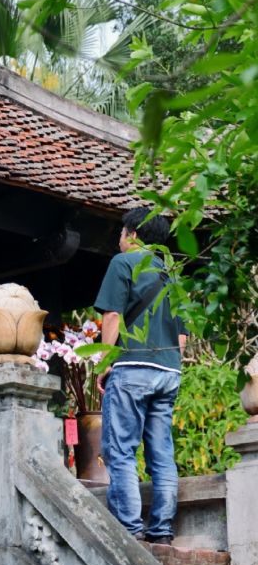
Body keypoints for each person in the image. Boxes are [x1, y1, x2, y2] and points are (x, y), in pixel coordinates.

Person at [94, 206, 187, 542]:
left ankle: (130, 530)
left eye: (121, 232)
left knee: (120, 449)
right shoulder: (170, 274)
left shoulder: (123, 263)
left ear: (132, 234)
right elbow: (181, 338)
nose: (120, 238)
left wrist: (105, 362)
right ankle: (161, 530)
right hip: (168, 370)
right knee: (161, 452)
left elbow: (113, 317)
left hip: (133, 366)